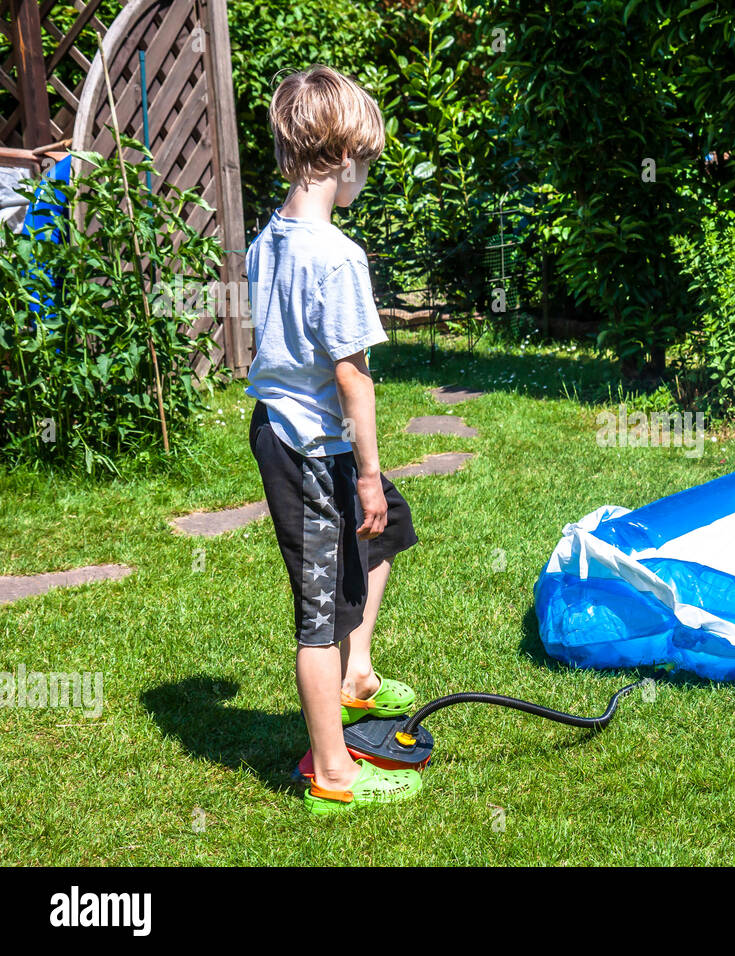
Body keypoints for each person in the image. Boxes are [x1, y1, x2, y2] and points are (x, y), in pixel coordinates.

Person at [245, 65, 421, 814]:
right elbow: (354, 379)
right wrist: (369, 472)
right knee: (317, 615)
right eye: (367, 165)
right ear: (344, 156)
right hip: (312, 449)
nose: (366, 179)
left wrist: (375, 488)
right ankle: (333, 775)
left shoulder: (268, 240)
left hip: (283, 433)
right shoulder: (337, 255)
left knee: (387, 530)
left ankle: (358, 675)